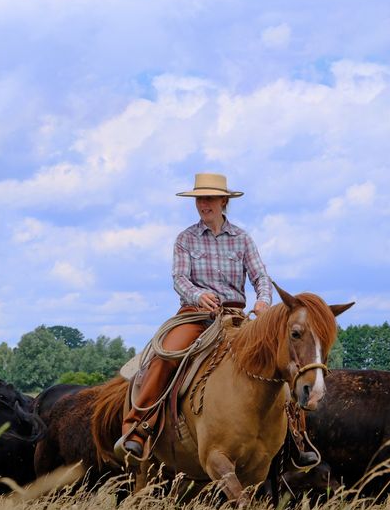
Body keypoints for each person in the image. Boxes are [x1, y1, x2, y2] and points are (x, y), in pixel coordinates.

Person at [115, 172, 317, 466]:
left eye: (209, 198)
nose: (203, 204)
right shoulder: (185, 239)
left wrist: (263, 300)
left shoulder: (242, 239)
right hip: (195, 315)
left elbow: (260, 276)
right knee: (166, 356)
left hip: (237, 317)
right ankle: (139, 427)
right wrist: (198, 296)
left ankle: (299, 438)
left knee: (280, 362)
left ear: (224, 201)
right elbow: (180, 279)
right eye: (199, 198)